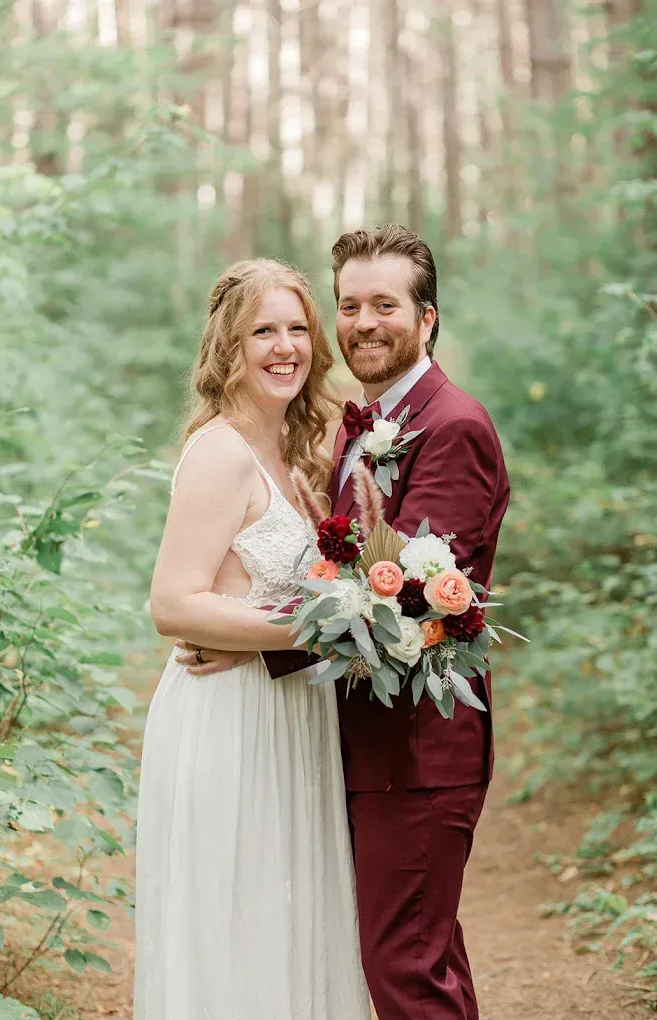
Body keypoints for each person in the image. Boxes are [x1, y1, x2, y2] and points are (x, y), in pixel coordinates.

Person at [180, 225, 510, 1019]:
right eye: (350, 306)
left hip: (417, 755)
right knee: (417, 956)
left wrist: (261, 641)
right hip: (362, 744)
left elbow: (413, 604)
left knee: (402, 964)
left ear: (427, 319)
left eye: (385, 306)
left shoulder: (453, 426)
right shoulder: (358, 426)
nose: (364, 323)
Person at [133, 258, 370, 1020]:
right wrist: (310, 632)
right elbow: (173, 602)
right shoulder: (219, 453)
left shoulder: (294, 452)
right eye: (262, 330)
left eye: (298, 328)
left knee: (286, 915)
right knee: (236, 919)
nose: (284, 347)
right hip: (227, 721)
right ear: (227, 347)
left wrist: (293, 639)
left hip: (290, 714)